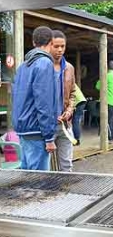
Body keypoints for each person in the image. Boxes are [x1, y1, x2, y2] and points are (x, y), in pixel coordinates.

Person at [12, 26, 57, 170]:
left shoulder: (22, 67)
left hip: (23, 130)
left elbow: (16, 98)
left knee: (27, 180)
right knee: (39, 185)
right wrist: (49, 137)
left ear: (33, 43)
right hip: (37, 131)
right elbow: (44, 102)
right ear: (51, 43)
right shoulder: (45, 63)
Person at [50, 29, 76, 171]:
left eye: (63, 46)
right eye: (56, 46)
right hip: (46, 124)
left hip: (65, 124)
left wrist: (69, 109)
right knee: (46, 165)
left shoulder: (69, 68)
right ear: (49, 45)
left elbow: (73, 92)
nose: (60, 50)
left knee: (67, 164)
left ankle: (67, 192)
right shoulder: (42, 67)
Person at [95, 60, 113, 143]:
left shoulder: (107, 75)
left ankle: (110, 138)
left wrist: (101, 77)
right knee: (111, 120)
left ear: (107, 67)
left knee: (107, 120)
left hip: (106, 101)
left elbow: (97, 86)